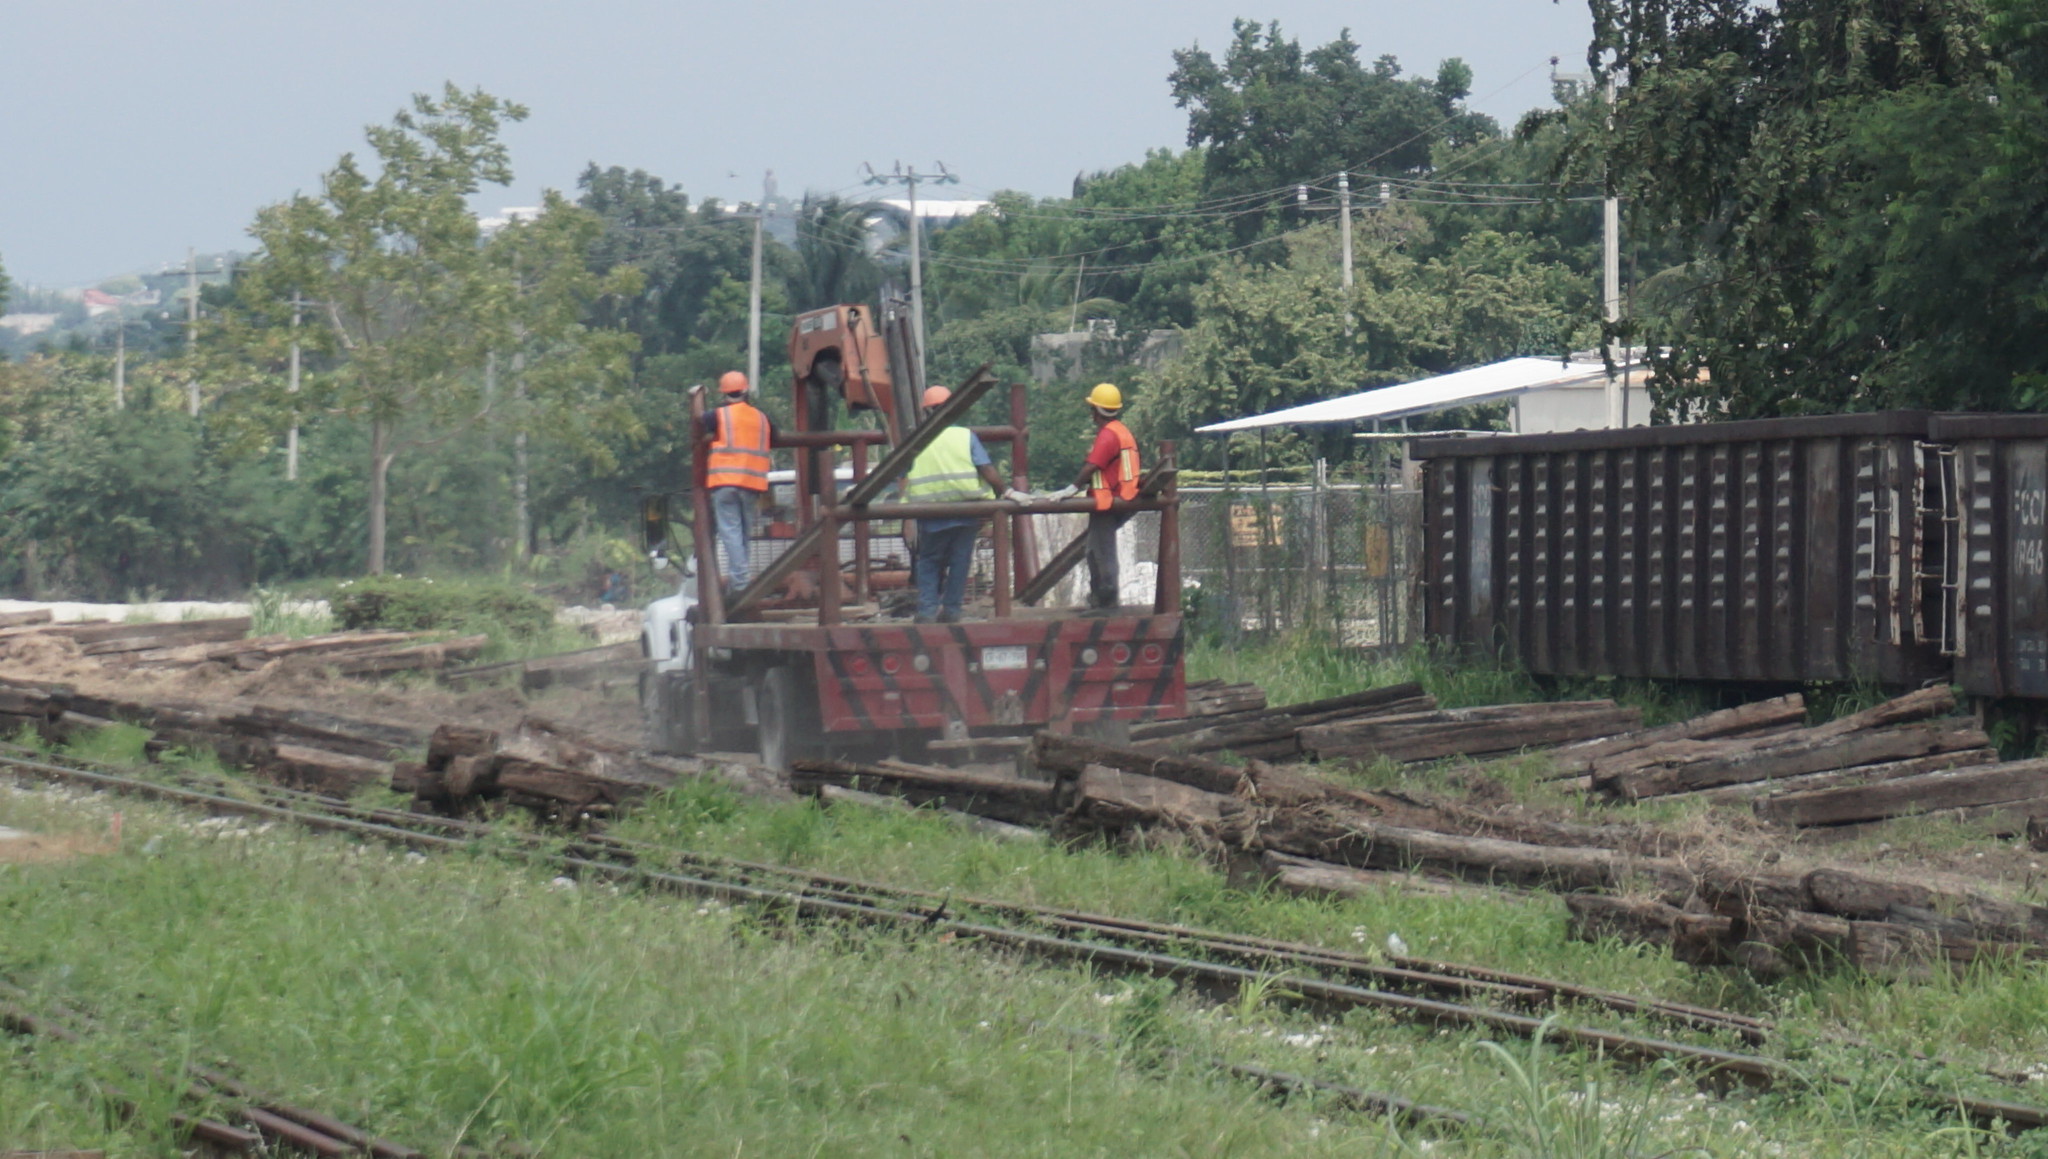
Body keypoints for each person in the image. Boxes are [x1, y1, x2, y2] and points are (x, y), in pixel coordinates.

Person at [902, 385, 1032, 623]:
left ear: (926, 412)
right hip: (966, 510)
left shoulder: (917, 439)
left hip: (929, 513)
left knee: (929, 561)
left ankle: (928, 611)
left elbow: (904, 476)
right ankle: (952, 610)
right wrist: (1006, 491)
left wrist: (905, 516)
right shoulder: (965, 436)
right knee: (960, 560)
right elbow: (987, 469)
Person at [1051, 383, 1140, 610]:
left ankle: (1105, 598)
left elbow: (1092, 466)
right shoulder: (1120, 431)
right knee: (1095, 549)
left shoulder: (1108, 435)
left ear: (1097, 411)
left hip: (1108, 500)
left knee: (1101, 552)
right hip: (1120, 497)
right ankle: (1102, 596)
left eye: (1092, 408)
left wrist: (1071, 488)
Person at [701, 370, 775, 593]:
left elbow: (700, 422)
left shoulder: (718, 416)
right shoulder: (762, 418)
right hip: (751, 484)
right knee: (743, 533)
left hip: (724, 482)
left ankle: (740, 583)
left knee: (730, 532)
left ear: (723, 394)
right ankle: (739, 580)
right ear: (745, 391)